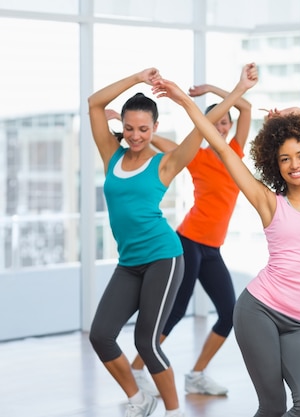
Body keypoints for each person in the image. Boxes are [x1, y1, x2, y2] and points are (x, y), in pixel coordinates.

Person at [151, 70, 300, 416]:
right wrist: (183, 100)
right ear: (275, 166)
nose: (295, 165)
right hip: (259, 310)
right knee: (273, 404)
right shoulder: (268, 202)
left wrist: (298, 114)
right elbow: (219, 145)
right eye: (285, 159)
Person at [122, 76, 254, 397]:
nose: (221, 128)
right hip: (189, 242)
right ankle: (137, 370)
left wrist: (211, 91)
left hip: (213, 248)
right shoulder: (196, 155)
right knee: (177, 310)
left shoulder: (235, 151)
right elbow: (156, 143)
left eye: (226, 122)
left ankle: (196, 374)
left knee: (229, 313)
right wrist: (131, 128)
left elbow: (246, 106)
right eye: (215, 123)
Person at [87, 68, 207, 417]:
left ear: (155, 129)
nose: (136, 136)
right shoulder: (112, 155)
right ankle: (140, 399)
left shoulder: (165, 163)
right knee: (101, 335)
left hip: (163, 257)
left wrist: (183, 98)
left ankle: (174, 412)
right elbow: (95, 104)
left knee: (146, 342)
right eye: (129, 128)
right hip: (129, 263)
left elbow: (202, 128)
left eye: (143, 129)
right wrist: (138, 78)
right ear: (121, 127)